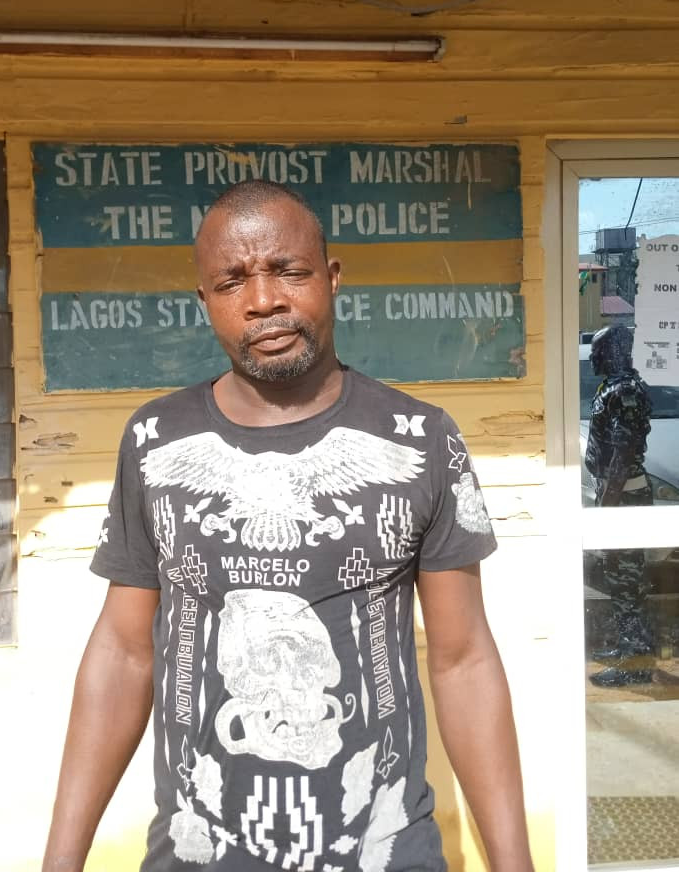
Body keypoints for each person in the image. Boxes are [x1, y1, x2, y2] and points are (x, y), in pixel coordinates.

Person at [43, 182, 534, 872]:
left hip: (382, 853)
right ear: (205, 301)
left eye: (289, 271)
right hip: (197, 854)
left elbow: (464, 660)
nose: (264, 299)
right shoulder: (155, 441)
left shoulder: (420, 439)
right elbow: (124, 654)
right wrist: (59, 861)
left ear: (331, 278)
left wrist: (515, 864)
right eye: (232, 281)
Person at [583, 325, 654, 688]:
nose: (593, 357)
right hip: (616, 494)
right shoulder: (613, 386)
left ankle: (635, 663)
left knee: (627, 581)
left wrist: (607, 508)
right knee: (619, 577)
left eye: (598, 351)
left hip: (624, 495)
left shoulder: (624, 391)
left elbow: (622, 456)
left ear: (615, 351)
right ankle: (629, 646)